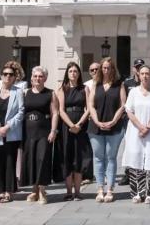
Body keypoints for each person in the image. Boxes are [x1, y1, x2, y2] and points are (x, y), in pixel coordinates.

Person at [88, 57, 128, 203]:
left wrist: (114, 121)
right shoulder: (96, 84)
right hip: (95, 127)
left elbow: (123, 105)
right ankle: (100, 189)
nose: (106, 70)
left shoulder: (119, 85)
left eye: (108, 68)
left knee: (111, 157)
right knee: (98, 158)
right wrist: (97, 121)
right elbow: (91, 105)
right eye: (104, 68)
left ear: (113, 69)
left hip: (114, 127)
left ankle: (110, 189)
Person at [123, 64, 150, 204]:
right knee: (136, 160)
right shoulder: (133, 92)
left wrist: (148, 128)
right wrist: (141, 127)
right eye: (142, 73)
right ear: (138, 75)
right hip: (135, 131)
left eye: (147, 73)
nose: (145, 76)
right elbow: (129, 111)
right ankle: (137, 193)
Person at [0, 61, 24, 203]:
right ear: (1, 76)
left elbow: (21, 112)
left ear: (14, 77)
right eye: (5, 74)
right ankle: (1, 191)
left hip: (11, 133)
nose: (8, 76)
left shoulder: (18, 92)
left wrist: (7, 127)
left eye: (11, 74)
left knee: (10, 161)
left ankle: (9, 191)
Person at [22, 66, 57, 204]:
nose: (38, 78)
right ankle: (34, 190)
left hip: (44, 132)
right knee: (31, 160)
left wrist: (53, 131)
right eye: (35, 76)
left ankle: (42, 191)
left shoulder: (50, 93)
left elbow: (55, 113)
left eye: (41, 76)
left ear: (45, 78)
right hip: (28, 132)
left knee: (42, 160)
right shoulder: (26, 93)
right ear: (31, 78)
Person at [56, 62, 91, 201]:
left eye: (75, 71)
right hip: (66, 126)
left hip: (81, 126)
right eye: (70, 71)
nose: (73, 73)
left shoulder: (85, 88)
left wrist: (79, 124)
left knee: (79, 157)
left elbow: (89, 108)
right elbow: (61, 110)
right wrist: (71, 125)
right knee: (67, 156)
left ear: (79, 74)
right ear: (67, 73)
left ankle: (78, 192)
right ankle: (68, 192)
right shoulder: (62, 89)